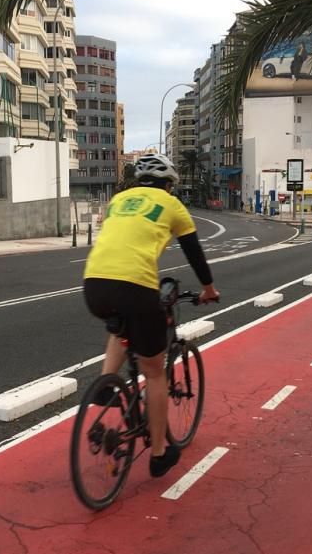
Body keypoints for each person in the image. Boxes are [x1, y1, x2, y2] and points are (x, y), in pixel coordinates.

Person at [83, 154, 220, 477]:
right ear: (169, 184)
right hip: (136, 288)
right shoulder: (172, 205)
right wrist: (209, 289)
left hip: (94, 285)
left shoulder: (118, 200)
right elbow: (194, 253)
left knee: (120, 325)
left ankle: (107, 384)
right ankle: (159, 453)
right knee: (155, 373)